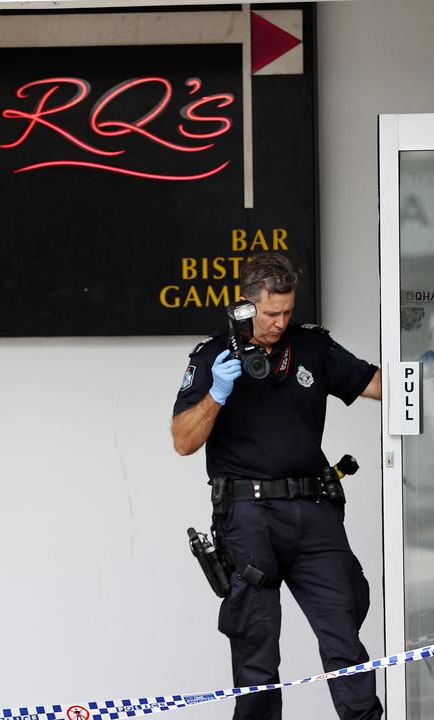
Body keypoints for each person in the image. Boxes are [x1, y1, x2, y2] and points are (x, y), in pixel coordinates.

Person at [171, 252, 383, 720]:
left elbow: (377, 384)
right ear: (245, 307)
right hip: (248, 520)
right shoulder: (213, 356)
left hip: (314, 514)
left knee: (343, 633)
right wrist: (216, 394)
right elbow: (183, 441)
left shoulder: (311, 347)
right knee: (256, 648)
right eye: (270, 314)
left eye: (287, 312)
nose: (280, 322)